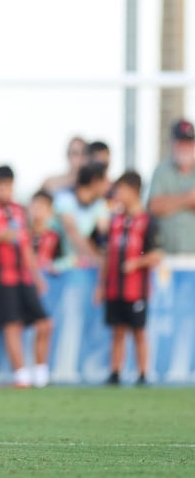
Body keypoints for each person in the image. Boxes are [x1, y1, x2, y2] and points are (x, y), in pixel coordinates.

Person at [0, 166, 52, 388]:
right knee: (12, 325)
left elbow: (26, 246)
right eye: (1, 186)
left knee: (45, 323)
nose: (5, 190)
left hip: (24, 276)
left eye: (9, 186)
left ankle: (41, 374)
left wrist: (37, 276)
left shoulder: (20, 210)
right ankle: (21, 375)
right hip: (0, 277)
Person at [94, 171, 163, 386]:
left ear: (134, 191)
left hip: (136, 289)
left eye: (121, 189)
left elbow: (157, 255)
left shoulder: (148, 221)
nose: (118, 194)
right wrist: (101, 285)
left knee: (139, 332)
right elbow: (106, 254)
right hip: (115, 288)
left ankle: (143, 374)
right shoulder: (114, 220)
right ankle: (115, 373)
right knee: (117, 331)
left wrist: (136, 263)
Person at [147, 119, 195, 254]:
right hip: (166, 256)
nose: (184, 147)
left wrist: (170, 202)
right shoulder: (162, 170)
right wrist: (187, 199)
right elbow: (154, 206)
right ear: (173, 143)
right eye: (181, 142)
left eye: (188, 142)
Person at [53, 161, 111, 269]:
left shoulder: (99, 204)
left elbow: (105, 231)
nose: (109, 185)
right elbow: (72, 232)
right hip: (57, 267)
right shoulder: (64, 198)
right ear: (95, 182)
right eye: (106, 181)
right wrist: (97, 260)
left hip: (81, 266)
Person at [28, 189, 62, 274]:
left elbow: (59, 263)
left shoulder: (55, 238)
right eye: (35, 205)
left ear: (50, 211)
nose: (37, 209)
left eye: (42, 206)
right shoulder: (22, 235)